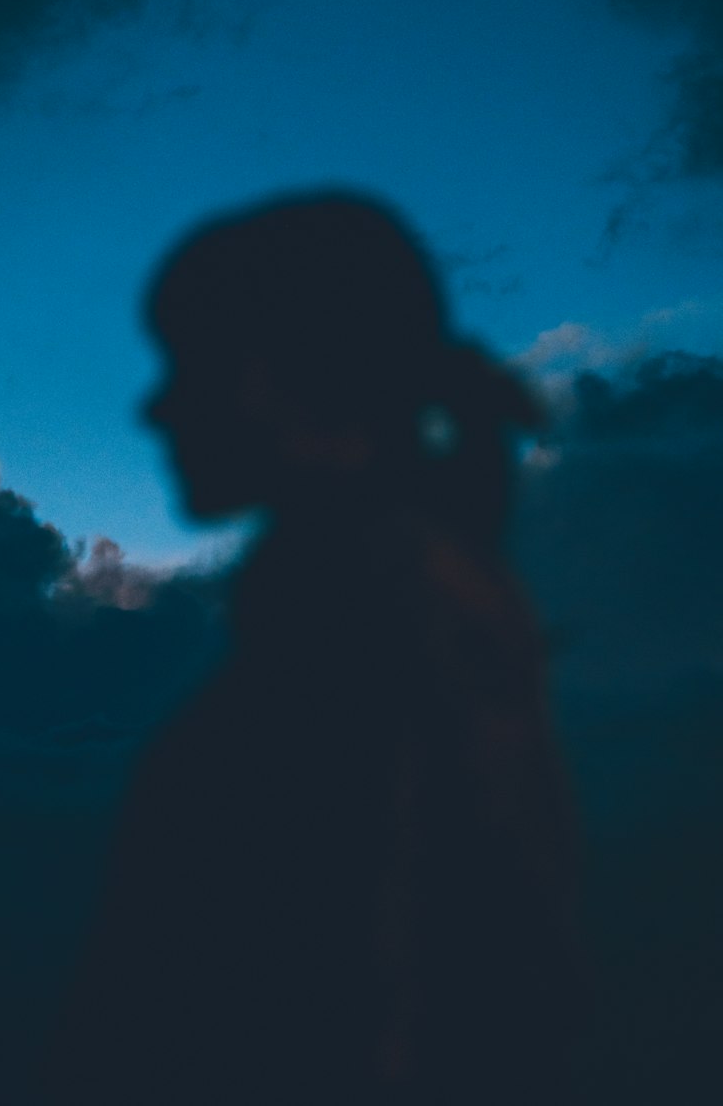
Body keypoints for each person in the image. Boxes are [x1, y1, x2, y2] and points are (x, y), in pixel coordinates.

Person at [55, 190, 591, 1105]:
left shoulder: (370, 640)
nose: (157, 408)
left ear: (300, 375)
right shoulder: (401, 608)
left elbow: (366, 1023)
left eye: (194, 365)